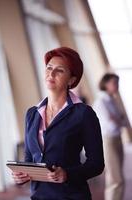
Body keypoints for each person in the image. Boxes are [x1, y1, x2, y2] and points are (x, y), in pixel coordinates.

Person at [12, 47, 104, 200]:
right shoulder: (32, 114)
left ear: (71, 80)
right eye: (49, 68)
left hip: (71, 195)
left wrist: (67, 174)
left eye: (59, 70)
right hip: (39, 196)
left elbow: (97, 164)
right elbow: (29, 158)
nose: (51, 73)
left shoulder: (83, 114)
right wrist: (22, 175)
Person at [93, 73, 129, 200]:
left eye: (117, 83)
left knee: (116, 177)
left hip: (117, 138)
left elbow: (124, 121)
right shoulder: (101, 102)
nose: (117, 86)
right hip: (108, 140)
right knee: (116, 178)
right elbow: (111, 123)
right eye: (114, 83)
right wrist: (119, 119)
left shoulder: (112, 100)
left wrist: (118, 119)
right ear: (105, 84)